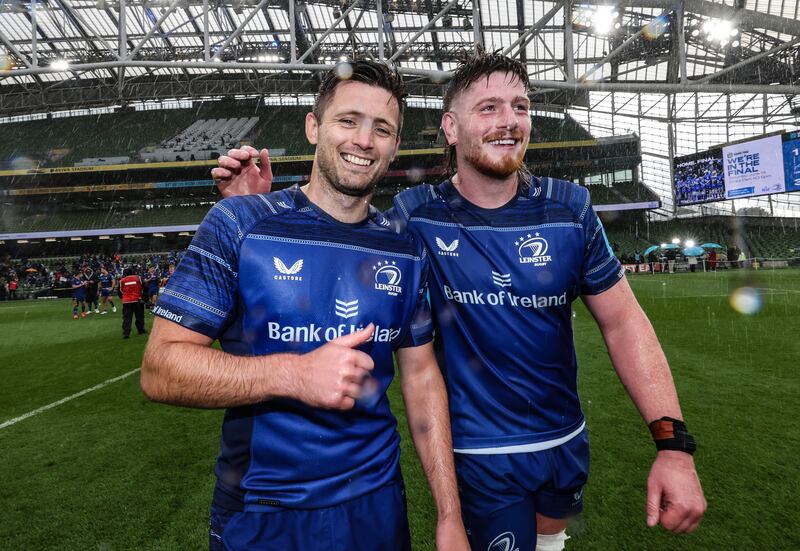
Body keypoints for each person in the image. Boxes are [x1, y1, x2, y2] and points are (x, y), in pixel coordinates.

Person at [216, 50, 705, 551]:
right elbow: (341, 213)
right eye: (489, 108)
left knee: (553, 541)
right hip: (479, 455)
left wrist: (673, 444)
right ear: (450, 127)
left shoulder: (571, 208)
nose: (509, 121)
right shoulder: (415, 215)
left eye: (520, 106)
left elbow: (623, 322)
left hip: (565, 441)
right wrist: (262, 210)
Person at [143, 60, 468, 551]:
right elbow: (160, 368)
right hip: (262, 510)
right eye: (347, 120)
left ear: (395, 145)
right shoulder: (238, 222)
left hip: (377, 508)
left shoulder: (405, 247)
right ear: (314, 127)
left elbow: (421, 378)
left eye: (382, 128)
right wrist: (293, 375)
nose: (364, 140)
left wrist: (449, 515)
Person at [120, 266, 146, 338]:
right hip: (137, 300)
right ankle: (141, 330)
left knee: (127, 318)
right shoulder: (138, 278)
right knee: (139, 316)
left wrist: (125, 296)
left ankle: (126, 333)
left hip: (127, 301)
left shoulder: (122, 280)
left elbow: (121, 291)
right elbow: (143, 287)